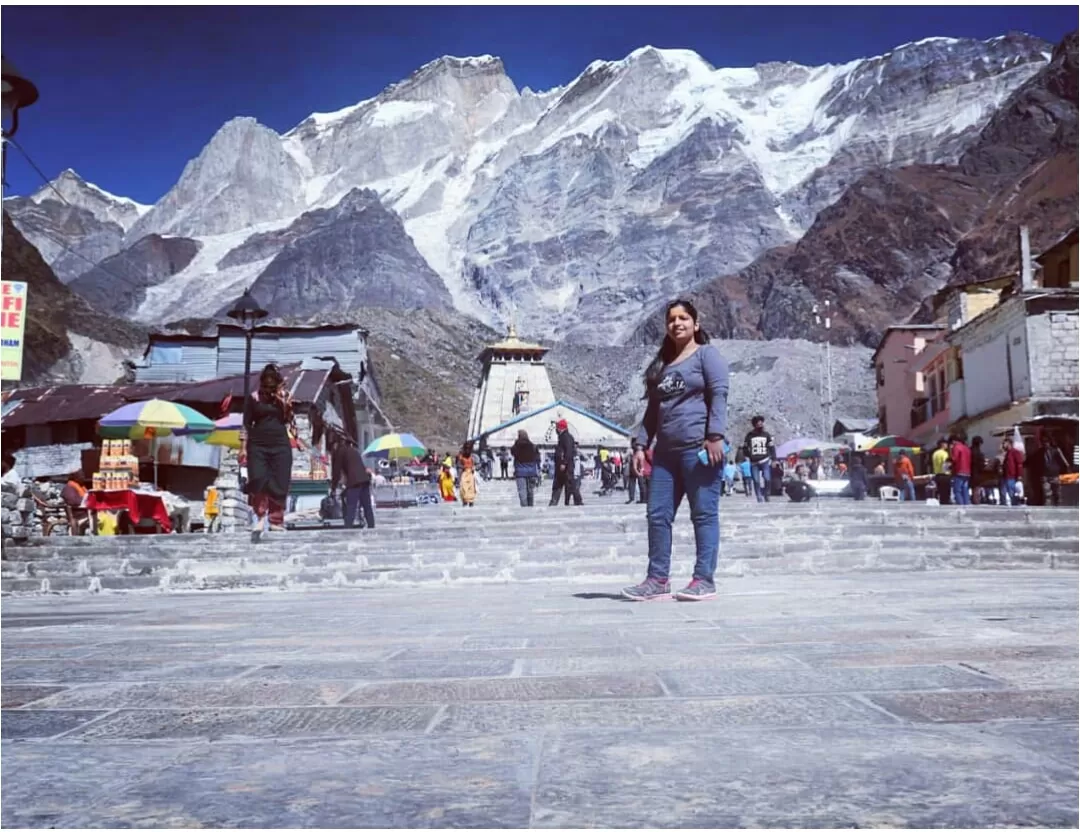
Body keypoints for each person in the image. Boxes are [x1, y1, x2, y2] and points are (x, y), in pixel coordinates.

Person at [623, 299, 728, 602]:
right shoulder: (663, 367)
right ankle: (657, 579)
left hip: (699, 450)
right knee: (657, 515)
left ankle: (704, 579)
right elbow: (653, 411)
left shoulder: (707, 356)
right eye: (671, 319)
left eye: (684, 318)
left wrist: (715, 435)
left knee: (704, 515)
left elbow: (719, 394)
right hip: (665, 456)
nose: (677, 323)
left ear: (696, 324)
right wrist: (641, 444)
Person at [242, 363, 295, 533]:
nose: (270, 383)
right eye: (267, 379)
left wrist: (283, 399)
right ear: (262, 380)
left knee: (279, 481)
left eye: (274, 380)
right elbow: (246, 424)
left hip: (280, 444)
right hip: (257, 445)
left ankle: (276, 520)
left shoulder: (284, 397)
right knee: (258, 479)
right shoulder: (253, 398)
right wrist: (242, 448)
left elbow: (289, 419)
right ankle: (260, 517)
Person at [330, 433, 375, 529]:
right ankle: (371, 527)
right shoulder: (353, 451)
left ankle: (348, 529)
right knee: (367, 507)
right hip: (364, 480)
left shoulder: (340, 451)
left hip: (354, 482)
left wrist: (333, 487)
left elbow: (336, 471)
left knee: (351, 507)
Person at [549, 419, 584, 506]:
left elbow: (568, 451)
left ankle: (578, 501)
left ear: (560, 428)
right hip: (562, 466)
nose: (556, 429)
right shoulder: (562, 437)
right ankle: (554, 502)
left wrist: (564, 462)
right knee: (560, 485)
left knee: (570, 484)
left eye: (557, 427)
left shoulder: (566, 437)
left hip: (566, 466)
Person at [742, 415, 775, 503]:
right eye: (758, 422)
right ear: (754, 424)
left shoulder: (766, 435)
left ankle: (767, 494)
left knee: (767, 478)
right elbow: (744, 448)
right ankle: (759, 497)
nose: (760, 424)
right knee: (756, 480)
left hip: (765, 460)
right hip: (754, 462)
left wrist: (774, 459)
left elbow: (772, 447)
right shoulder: (749, 435)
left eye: (761, 422)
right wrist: (749, 456)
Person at [510, 430, 540, 507]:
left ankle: (524, 509)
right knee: (530, 492)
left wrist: (516, 442)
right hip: (532, 472)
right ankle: (530, 508)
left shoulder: (517, 446)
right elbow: (537, 458)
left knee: (522, 492)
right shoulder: (533, 446)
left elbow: (512, 452)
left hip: (520, 473)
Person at [1039, 434, 1070, 507]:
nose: (1045, 443)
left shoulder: (1055, 451)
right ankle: (1047, 508)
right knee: (1047, 494)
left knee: (1057, 493)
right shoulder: (1040, 452)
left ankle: (1058, 506)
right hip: (1045, 475)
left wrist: (1065, 469)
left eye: (1046, 442)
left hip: (1055, 474)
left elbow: (1064, 462)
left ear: (1049, 442)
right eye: (1043, 442)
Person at [1001, 436, 1024, 506]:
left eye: (1004, 443)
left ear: (1009, 443)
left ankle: (1015, 506)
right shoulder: (1007, 453)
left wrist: (1019, 475)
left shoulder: (1015, 452)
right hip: (1006, 476)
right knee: (1005, 493)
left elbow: (1019, 464)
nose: (1003, 445)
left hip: (1012, 477)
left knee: (1012, 494)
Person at [949, 435, 972, 506]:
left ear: (953, 441)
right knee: (965, 490)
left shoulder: (956, 447)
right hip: (967, 471)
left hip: (959, 471)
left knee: (957, 490)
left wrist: (950, 452)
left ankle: (961, 505)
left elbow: (954, 459)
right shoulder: (967, 448)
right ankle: (967, 504)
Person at [931, 438, 951, 506]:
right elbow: (946, 464)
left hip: (937, 475)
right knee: (946, 493)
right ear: (942, 444)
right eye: (946, 444)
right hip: (945, 475)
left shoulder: (935, 453)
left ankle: (942, 505)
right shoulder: (944, 453)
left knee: (940, 492)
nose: (947, 445)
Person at [457, 442, 478, 507]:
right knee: (463, 487)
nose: (467, 450)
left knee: (471, 488)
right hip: (464, 473)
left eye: (469, 449)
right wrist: (463, 467)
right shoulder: (461, 456)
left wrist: (473, 467)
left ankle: (471, 501)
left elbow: (476, 464)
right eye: (466, 449)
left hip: (471, 473)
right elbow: (458, 464)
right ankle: (465, 500)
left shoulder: (472, 456)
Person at [970, 436, 986, 505]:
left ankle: (974, 500)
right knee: (976, 488)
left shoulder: (969, 451)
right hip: (977, 473)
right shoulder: (979, 453)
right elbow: (981, 465)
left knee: (973, 488)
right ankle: (976, 501)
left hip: (970, 471)